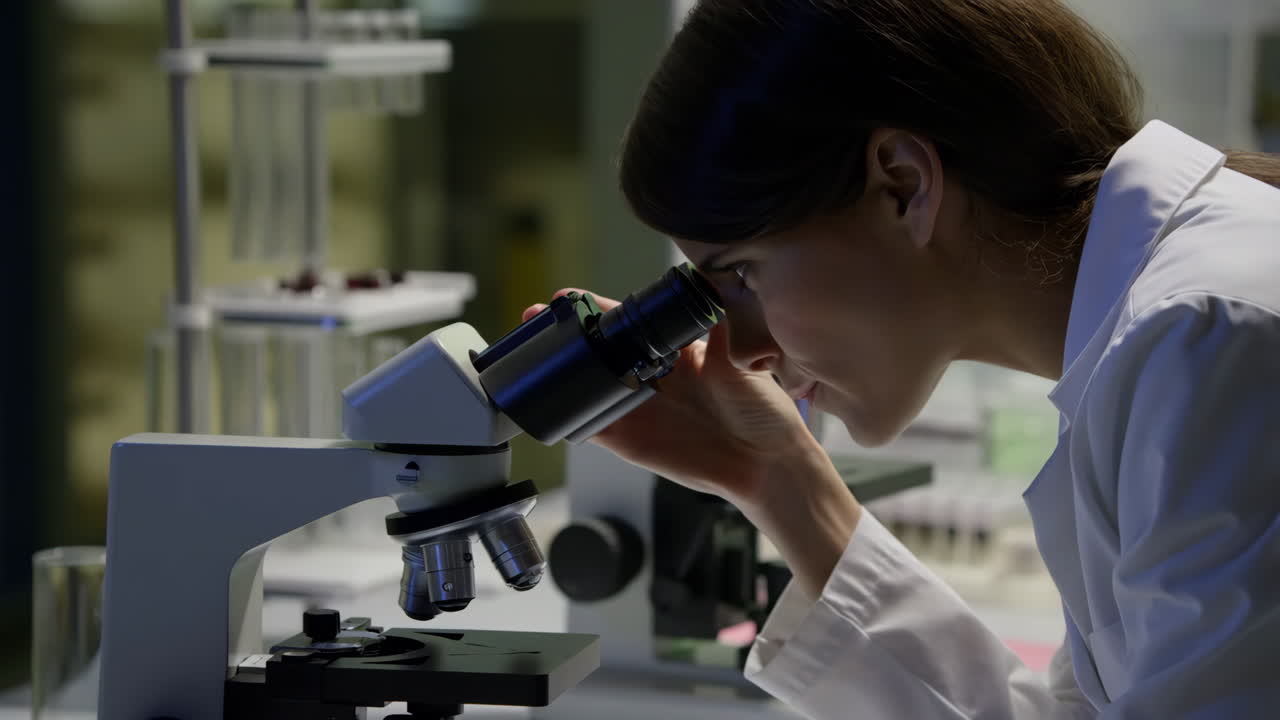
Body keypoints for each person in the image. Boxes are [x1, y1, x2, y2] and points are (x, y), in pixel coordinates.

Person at [524, 1, 1280, 717]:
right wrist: (775, 475)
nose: (745, 353)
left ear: (903, 185)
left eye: (745, 273)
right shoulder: (1151, 345)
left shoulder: (1206, 340)